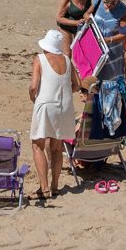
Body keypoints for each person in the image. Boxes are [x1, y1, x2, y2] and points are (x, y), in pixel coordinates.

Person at [29, 30, 80, 202]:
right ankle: (55, 186)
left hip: (46, 104)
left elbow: (33, 85)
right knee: (57, 147)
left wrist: (33, 97)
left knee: (38, 145)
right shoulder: (66, 60)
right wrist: (64, 93)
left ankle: (44, 188)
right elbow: (77, 85)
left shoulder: (40, 59)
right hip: (64, 106)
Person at [91, 0, 126, 69]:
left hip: (113, 50)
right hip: (95, 46)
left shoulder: (123, 10)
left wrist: (109, 39)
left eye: (113, 3)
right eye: (106, 1)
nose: (109, 5)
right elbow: (87, 15)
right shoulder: (97, 1)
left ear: (118, 0)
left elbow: (124, 34)